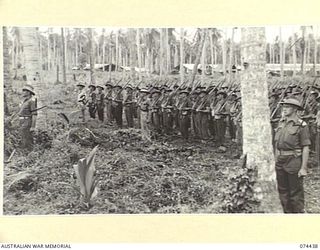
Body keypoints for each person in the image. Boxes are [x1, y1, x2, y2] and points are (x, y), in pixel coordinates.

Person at [274, 98, 311, 213]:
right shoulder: (281, 123)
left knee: (295, 193)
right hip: (280, 161)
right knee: (282, 191)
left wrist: (303, 168)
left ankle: (297, 217)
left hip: (293, 161)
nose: (284, 109)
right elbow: (276, 144)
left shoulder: (301, 125)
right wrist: (275, 160)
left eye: (287, 107)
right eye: (283, 106)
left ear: (295, 109)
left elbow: (306, 147)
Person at [19, 84, 37, 151]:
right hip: (22, 122)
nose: (23, 92)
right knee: (24, 139)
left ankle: (30, 156)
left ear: (28, 92)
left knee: (28, 139)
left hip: (27, 122)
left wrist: (33, 126)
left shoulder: (31, 101)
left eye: (24, 91)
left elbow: (34, 114)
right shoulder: (25, 101)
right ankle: (25, 155)